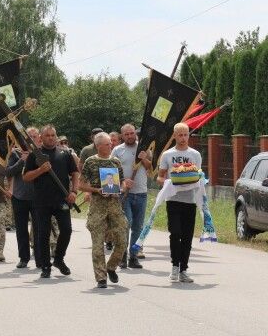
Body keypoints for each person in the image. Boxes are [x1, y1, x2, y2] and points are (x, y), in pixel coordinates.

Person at [23, 125, 79, 279]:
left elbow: (75, 173)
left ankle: (59, 259)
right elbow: (26, 177)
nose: (51, 138)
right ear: (41, 138)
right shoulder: (35, 155)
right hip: (41, 201)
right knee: (43, 234)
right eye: (47, 135)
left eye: (53, 135)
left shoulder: (65, 153)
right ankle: (45, 265)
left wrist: (74, 191)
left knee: (66, 230)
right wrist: (40, 170)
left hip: (62, 199)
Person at [79, 132, 133, 288]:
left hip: (114, 205)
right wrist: (96, 191)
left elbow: (122, 182)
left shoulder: (115, 161)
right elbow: (81, 185)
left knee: (122, 240)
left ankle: (111, 267)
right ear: (98, 146)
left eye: (111, 143)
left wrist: (123, 188)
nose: (111, 146)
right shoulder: (90, 162)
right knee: (97, 244)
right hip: (97, 206)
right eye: (107, 144)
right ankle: (101, 277)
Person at [157, 122, 203, 283]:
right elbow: (160, 176)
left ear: (189, 135)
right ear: (175, 136)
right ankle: (174, 266)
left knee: (188, 236)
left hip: (190, 200)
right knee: (175, 233)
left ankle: (184, 269)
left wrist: (198, 180)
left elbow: (199, 175)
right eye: (180, 135)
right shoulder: (168, 155)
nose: (183, 138)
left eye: (186, 134)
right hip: (173, 199)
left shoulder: (195, 154)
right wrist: (165, 182)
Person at [112, 123, 150, 269]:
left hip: (141, 192)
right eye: (126, 134)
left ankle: (133, 256)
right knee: (125, 224)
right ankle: (122, 256)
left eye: (132, 133)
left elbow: (151, 168)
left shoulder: (143, 147)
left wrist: (144, 158)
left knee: (138, 226)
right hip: (124, 194)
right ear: (122, 136)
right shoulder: (117, 150)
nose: (130, 136)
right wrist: (122, 183)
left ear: (135, 133)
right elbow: (111, 171)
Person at [7, 127, 37, 268]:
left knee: (39, 228)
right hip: (19, 196)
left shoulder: (41, 152)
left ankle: (39, 255)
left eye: (34, 136)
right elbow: (8, 171)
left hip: (38, 196)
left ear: (38, 138)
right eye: (28, 136)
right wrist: (21, 161)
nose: (31, 138)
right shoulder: (15, 153)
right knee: (21, 229)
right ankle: (23, 257)